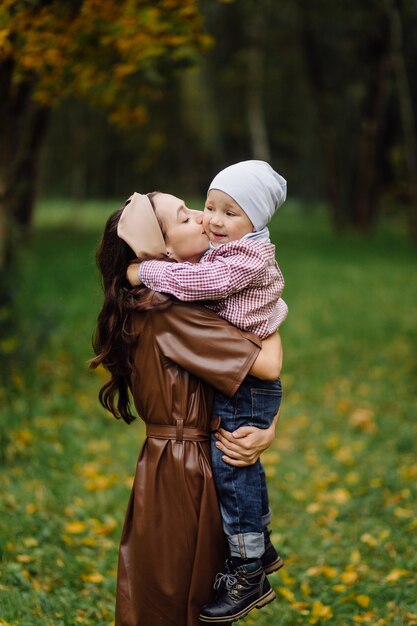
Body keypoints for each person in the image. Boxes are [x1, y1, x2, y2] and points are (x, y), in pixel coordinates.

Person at [90, 190, 283, 626]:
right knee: (183, 600)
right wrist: (267, 301)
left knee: (173, 594)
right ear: (161, 249)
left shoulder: (170, 301)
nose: (202, 218)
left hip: (183, 458)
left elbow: (238, 382)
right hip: (187, 471)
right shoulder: (169, 312)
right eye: (184, 218)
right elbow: (267, 365)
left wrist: (265, 430)